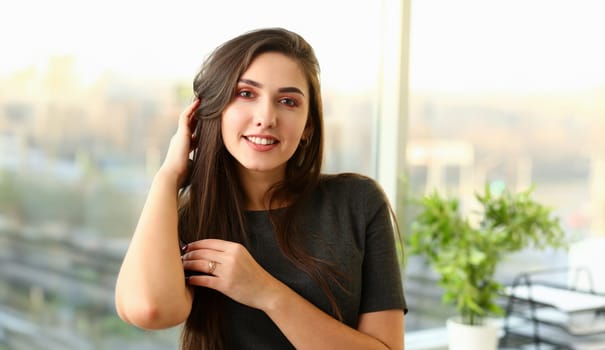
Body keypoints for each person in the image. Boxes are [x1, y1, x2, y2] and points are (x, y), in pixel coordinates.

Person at [115, 27, 407, 350]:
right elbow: (148, 309)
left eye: (287, 101)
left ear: (309, 125)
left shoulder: (358, 204)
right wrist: (168, 175)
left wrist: (266, 293)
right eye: (246, 94)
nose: (266, 117)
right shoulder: (191, 218)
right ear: (211, 112)